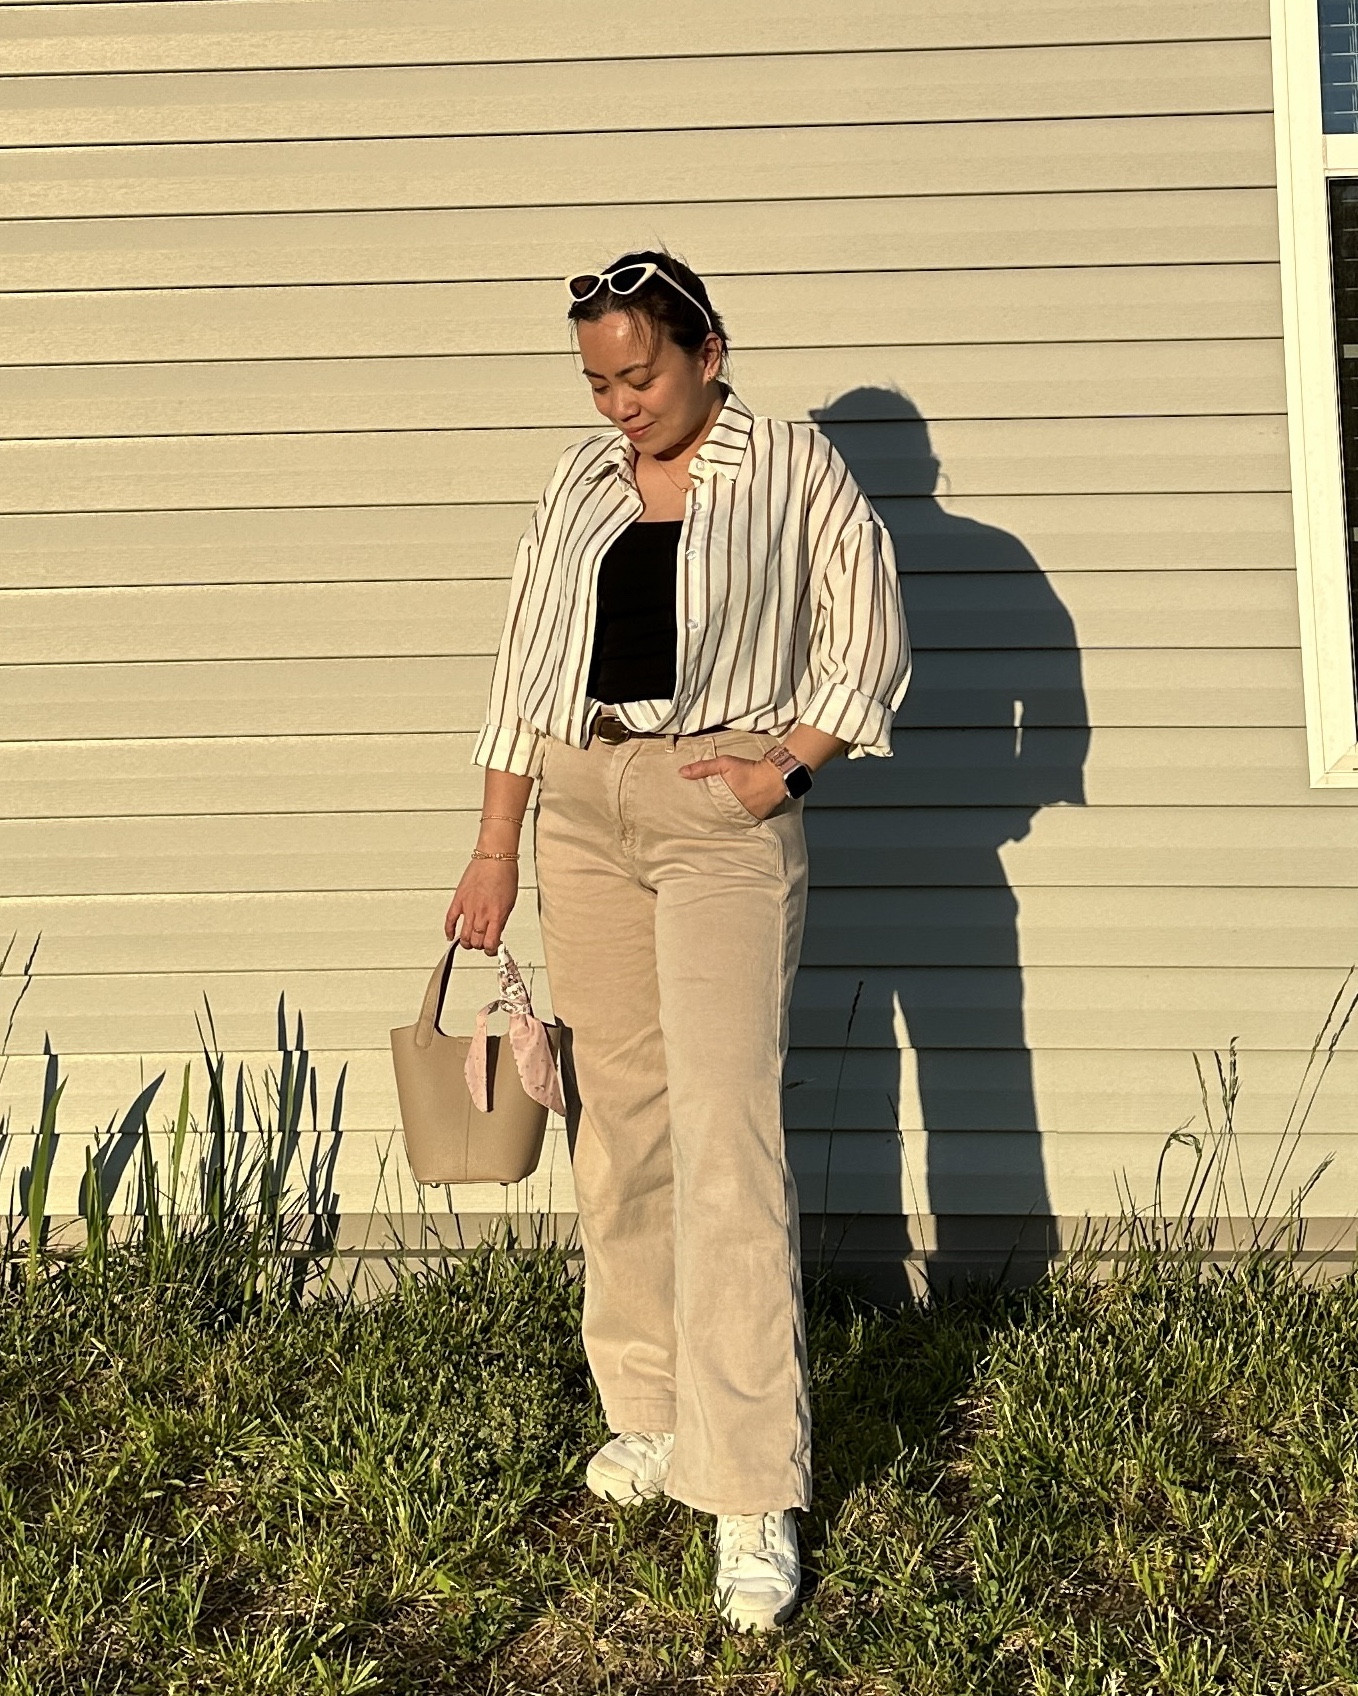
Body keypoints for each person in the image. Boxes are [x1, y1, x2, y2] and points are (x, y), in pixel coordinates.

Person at [444, 250, 911, 1632]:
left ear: (709, 349)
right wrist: (490, 847)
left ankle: (749, 1481)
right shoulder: (579, 486)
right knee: (618, 1121)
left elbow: (867, 625)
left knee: (724, 1134)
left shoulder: (792, 464)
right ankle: (649, 1408)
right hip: (581, 809)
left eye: (638, 374)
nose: (618, 405)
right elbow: (525, 668)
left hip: (720, 807)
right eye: (596, 381)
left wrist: (793, 764)